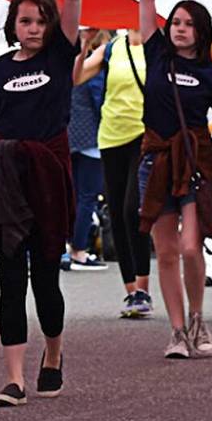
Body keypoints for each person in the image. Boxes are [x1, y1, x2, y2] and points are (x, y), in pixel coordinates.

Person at [0, 0, 82, 408]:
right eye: (24, 21)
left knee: (46, 279)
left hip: (49, 177)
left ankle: (53, 352)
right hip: (7, 181)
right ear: (12, 24)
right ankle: (13, 378)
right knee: (10, 278)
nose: (32, 29)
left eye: (39, 21)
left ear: (50, 25)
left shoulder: (59, 58)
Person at [136, 0, 212, 360]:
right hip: (155, 162)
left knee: (193, 247)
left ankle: (198, 318)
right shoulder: (156, 54)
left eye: (188, 24)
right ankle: (176, 332)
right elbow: (145, 1)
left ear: (201, 31)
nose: (179, 29)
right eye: (175, 22)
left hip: (196, 164)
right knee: (167, 251)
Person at [74, 27, 153, 317]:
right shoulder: (112, 47)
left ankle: (143, 288)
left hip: (144, 136)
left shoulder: (157, 45)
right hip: (110, 136)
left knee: (134, 209)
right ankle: (132, 291)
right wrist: (84, 43)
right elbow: (77, 77)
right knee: (118, 212)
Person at [64, 31, 108, 272]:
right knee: (86, 196)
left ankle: (65, 247)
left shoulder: (68, 61)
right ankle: (79, 250)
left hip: (69, 134)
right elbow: (99, 99)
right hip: (92, 136)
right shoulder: (96, 67)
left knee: (68, 194)